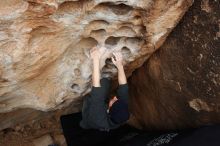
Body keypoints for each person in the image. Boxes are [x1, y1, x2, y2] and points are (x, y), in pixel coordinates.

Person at [79, 46, 130, 131]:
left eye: (114, 101)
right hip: (107, 112)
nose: (115, 97)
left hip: (90, 118)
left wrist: (96, 58)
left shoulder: (98, 116)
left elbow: (96, 85)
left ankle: (84, 123)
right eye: (117, 100)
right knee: (106, 82)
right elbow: (124, 86)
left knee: (101, 86)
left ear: (109, 110)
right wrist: (119, 65)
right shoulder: (122, 109)